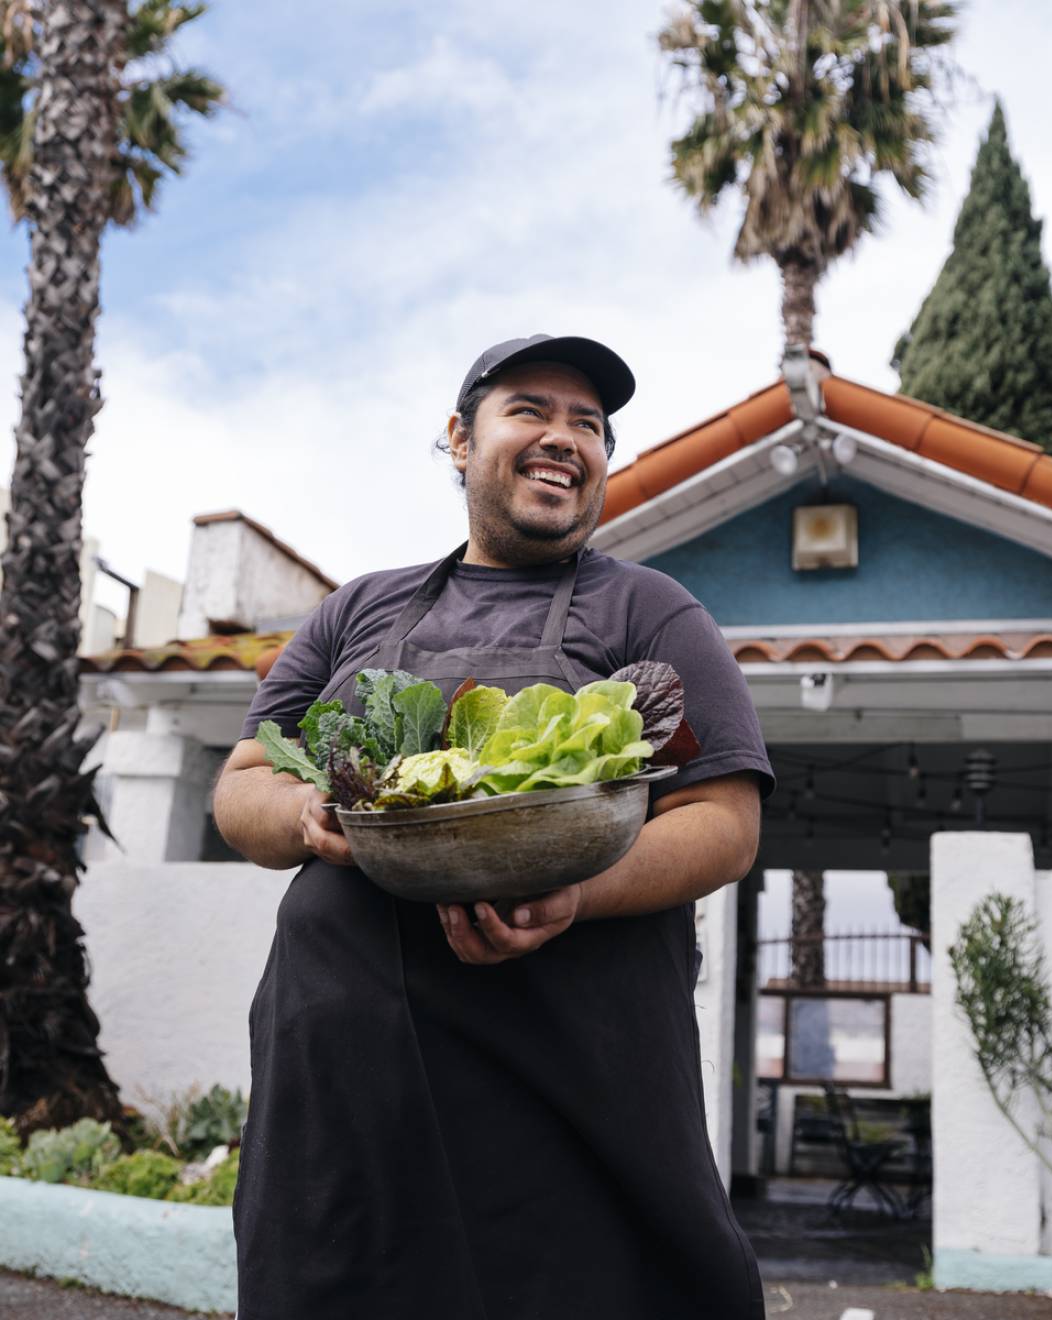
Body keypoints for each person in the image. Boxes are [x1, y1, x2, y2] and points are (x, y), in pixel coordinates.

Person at [213, 333, 774, 1320]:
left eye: (590, 425)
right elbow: (243, 786)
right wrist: (316, 810)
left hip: (571, 1080)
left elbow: (723, 820)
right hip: (347, 1089)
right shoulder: (356, 611)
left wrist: (574, 891)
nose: (566, 437)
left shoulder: (651, 609)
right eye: (533, 411)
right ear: (460, 440)